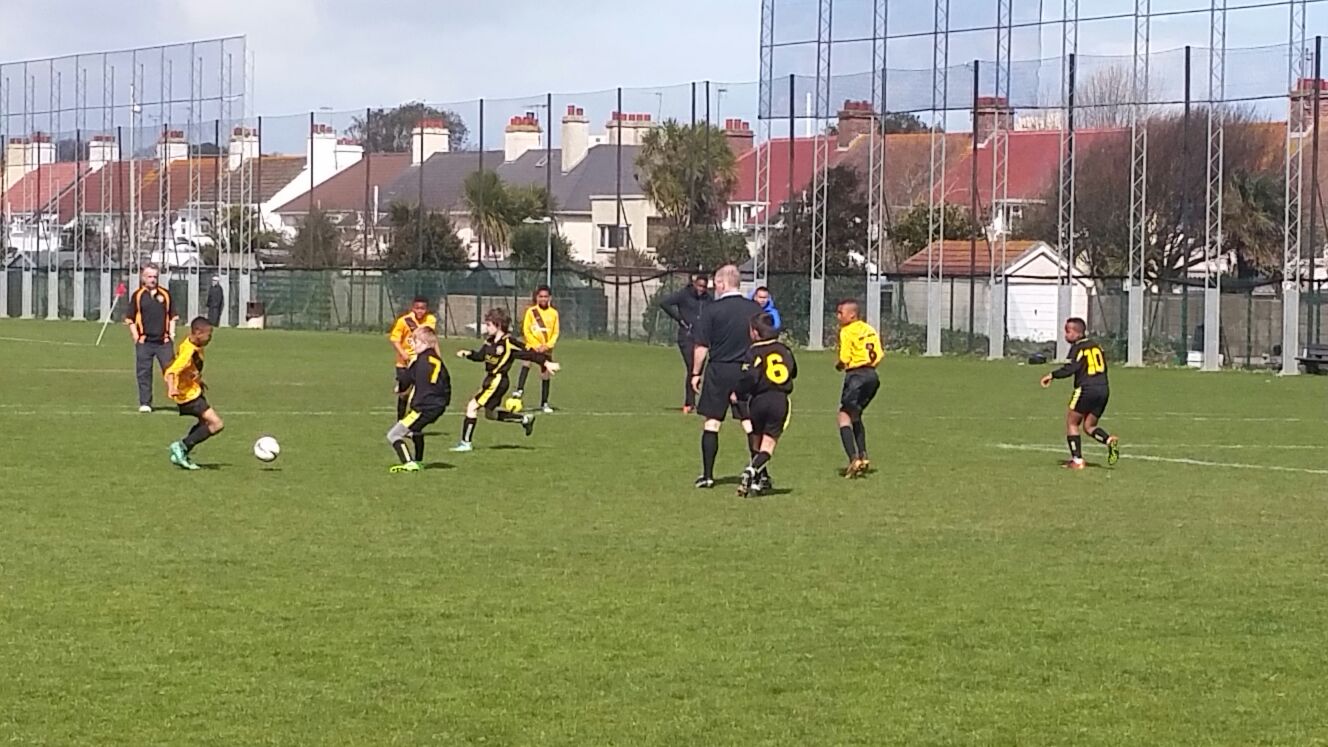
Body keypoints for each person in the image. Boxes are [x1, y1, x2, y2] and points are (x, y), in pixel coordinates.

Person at [690, 265, 763, 489]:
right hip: (747, 370)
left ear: (722, 283)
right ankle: (759, 473)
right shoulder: (754, 309)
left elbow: (701, 346)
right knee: (749, 423)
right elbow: (763, 341)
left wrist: (695, 373)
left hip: (719, 370)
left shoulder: (711, 310)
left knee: (712, 422)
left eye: (716, 284)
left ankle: (707, 475)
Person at [451, 308, 560, 452]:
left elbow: (529, 354)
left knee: (472, 406)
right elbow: (480, 356)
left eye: (489, 324)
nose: (486, 328)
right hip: (490, 379)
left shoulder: (509, 342)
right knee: (490, 414)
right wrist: (468, 353)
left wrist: (545, 363)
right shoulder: (489, 341)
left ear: (498, 325)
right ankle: (524, 419)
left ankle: (466, 443)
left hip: (498, 380)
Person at [1040, 317, 1120, 469]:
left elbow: (1070, 369)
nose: (1066, 335)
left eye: (1068, 331)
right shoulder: (1097, 346)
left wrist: (1052, 375)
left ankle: (1077, 461)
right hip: (1103, 389)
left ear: (1078, 333)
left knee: (1072, 422)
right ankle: (1109, 440)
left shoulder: (1078, 348)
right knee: (1089, 426)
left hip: (1086, 389)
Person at [734, 312, 797, 498]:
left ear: (755, 332)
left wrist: (738, 392)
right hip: (779, 399)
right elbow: (793, 372)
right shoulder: (784, 349)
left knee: (756, 440)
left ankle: (756, 483)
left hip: (759, 400)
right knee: (767, 446)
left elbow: (750, 377)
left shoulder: (754, 351)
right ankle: (752, 471)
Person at [386, 325, 451, 473]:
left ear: (424, 343)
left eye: (414, 342)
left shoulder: (419, 360)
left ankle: (409, 463)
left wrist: (400, 389)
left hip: (424, 407)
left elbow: (406, 380)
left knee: (393, 435)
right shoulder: (438, 361)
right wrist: (443, 402)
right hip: (438, 405)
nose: (412, 346)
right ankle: (419, 461)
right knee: (415, 429)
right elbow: (447, 383)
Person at [165, 317, 223, 470]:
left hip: (193, 391)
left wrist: (198, 380)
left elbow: (190, 368)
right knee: (216, 424)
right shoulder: (189, 351)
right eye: (208, 335)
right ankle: (181, 446)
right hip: (187, 396)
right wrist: (171, 388)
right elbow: (171, 371)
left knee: (204, 423)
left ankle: (182, 452)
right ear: (198, 333)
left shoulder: (194, 344)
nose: (210, 338)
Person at [835, 299, 883, 478]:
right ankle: (863, 456)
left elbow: (845, 358)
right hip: (872, 376)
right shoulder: (869, 329)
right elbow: (879, 355)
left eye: (840, 313)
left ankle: (853, 458)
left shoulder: (847, 331)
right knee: (855, 413)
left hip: (856, 376)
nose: (838, 316)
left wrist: (839, 365)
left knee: (843, 415)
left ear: (852, 315)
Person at [125, 263, 177, 413]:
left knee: (172, 371)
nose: (153, 279)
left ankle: (181, 400)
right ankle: (145, 403)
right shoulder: (138, 295)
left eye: (155, 276)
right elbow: (130, 319)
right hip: (145, 342)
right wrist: (136, 337)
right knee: (144, 373)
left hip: (163, 342)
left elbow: (172, 317)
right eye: (149, 277)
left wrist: (171, 334)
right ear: (143, 278)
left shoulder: (165, 295)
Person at [659, 273, 712, 413]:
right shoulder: (684, 295)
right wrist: (679, 319)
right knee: (692, 366)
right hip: (686, 336)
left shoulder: (709, 299)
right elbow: (664, 303)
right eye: (699, 286)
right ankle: (689, 402)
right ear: (694, 284)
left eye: (704, 287)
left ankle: (697, 402)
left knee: (698, 369)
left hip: (702, 337)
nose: (701, 289)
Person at [388, 297, 438, 421]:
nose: (420, 311)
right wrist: (403, 353)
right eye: (417, 308)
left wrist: (437, 357)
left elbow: (432, 340)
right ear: (412, 308)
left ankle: (411, 423)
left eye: (423, 308)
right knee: (404, 395)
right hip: (404, 364)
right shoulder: (404, 321)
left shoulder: (430, 320)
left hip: (422, 363)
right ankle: (400, 420)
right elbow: (395, 339)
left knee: (418, 394)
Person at [514, 285, 560, 413]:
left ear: (550, 298)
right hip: (533, 345)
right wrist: (535, 345)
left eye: (545, 296)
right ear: (536, 297)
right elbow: (526, 330)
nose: (543, 299)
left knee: (545, 373)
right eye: (541, 296)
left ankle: (544, 403)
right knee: (526, 362)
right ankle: (519, 389)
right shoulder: (531, 312)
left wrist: (548, 345)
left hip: (546, 348)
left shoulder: (554, 313)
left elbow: (555, 332)